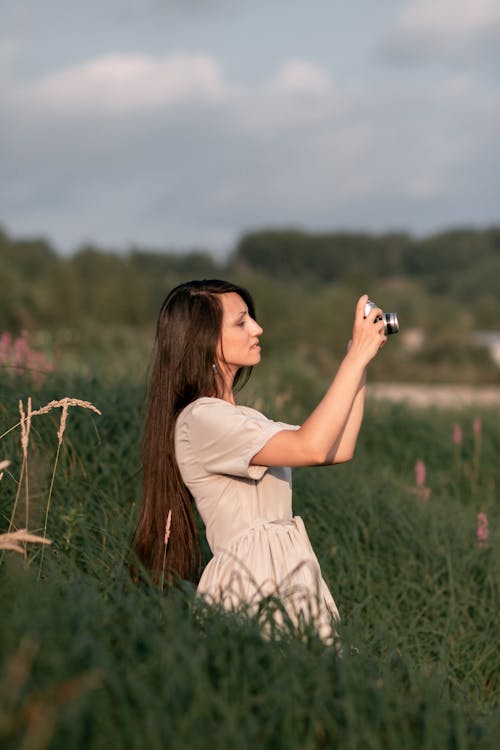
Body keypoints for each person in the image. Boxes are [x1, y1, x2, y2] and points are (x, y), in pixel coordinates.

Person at [133, 279, 386, 642]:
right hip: (250, 583)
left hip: (289, 574)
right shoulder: (201, 420)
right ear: (204, 340)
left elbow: (337, 448)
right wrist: (354, 358)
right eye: (241, 322)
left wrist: (359, 362)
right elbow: (311, 446)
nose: (257, 328)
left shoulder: (244, 419)